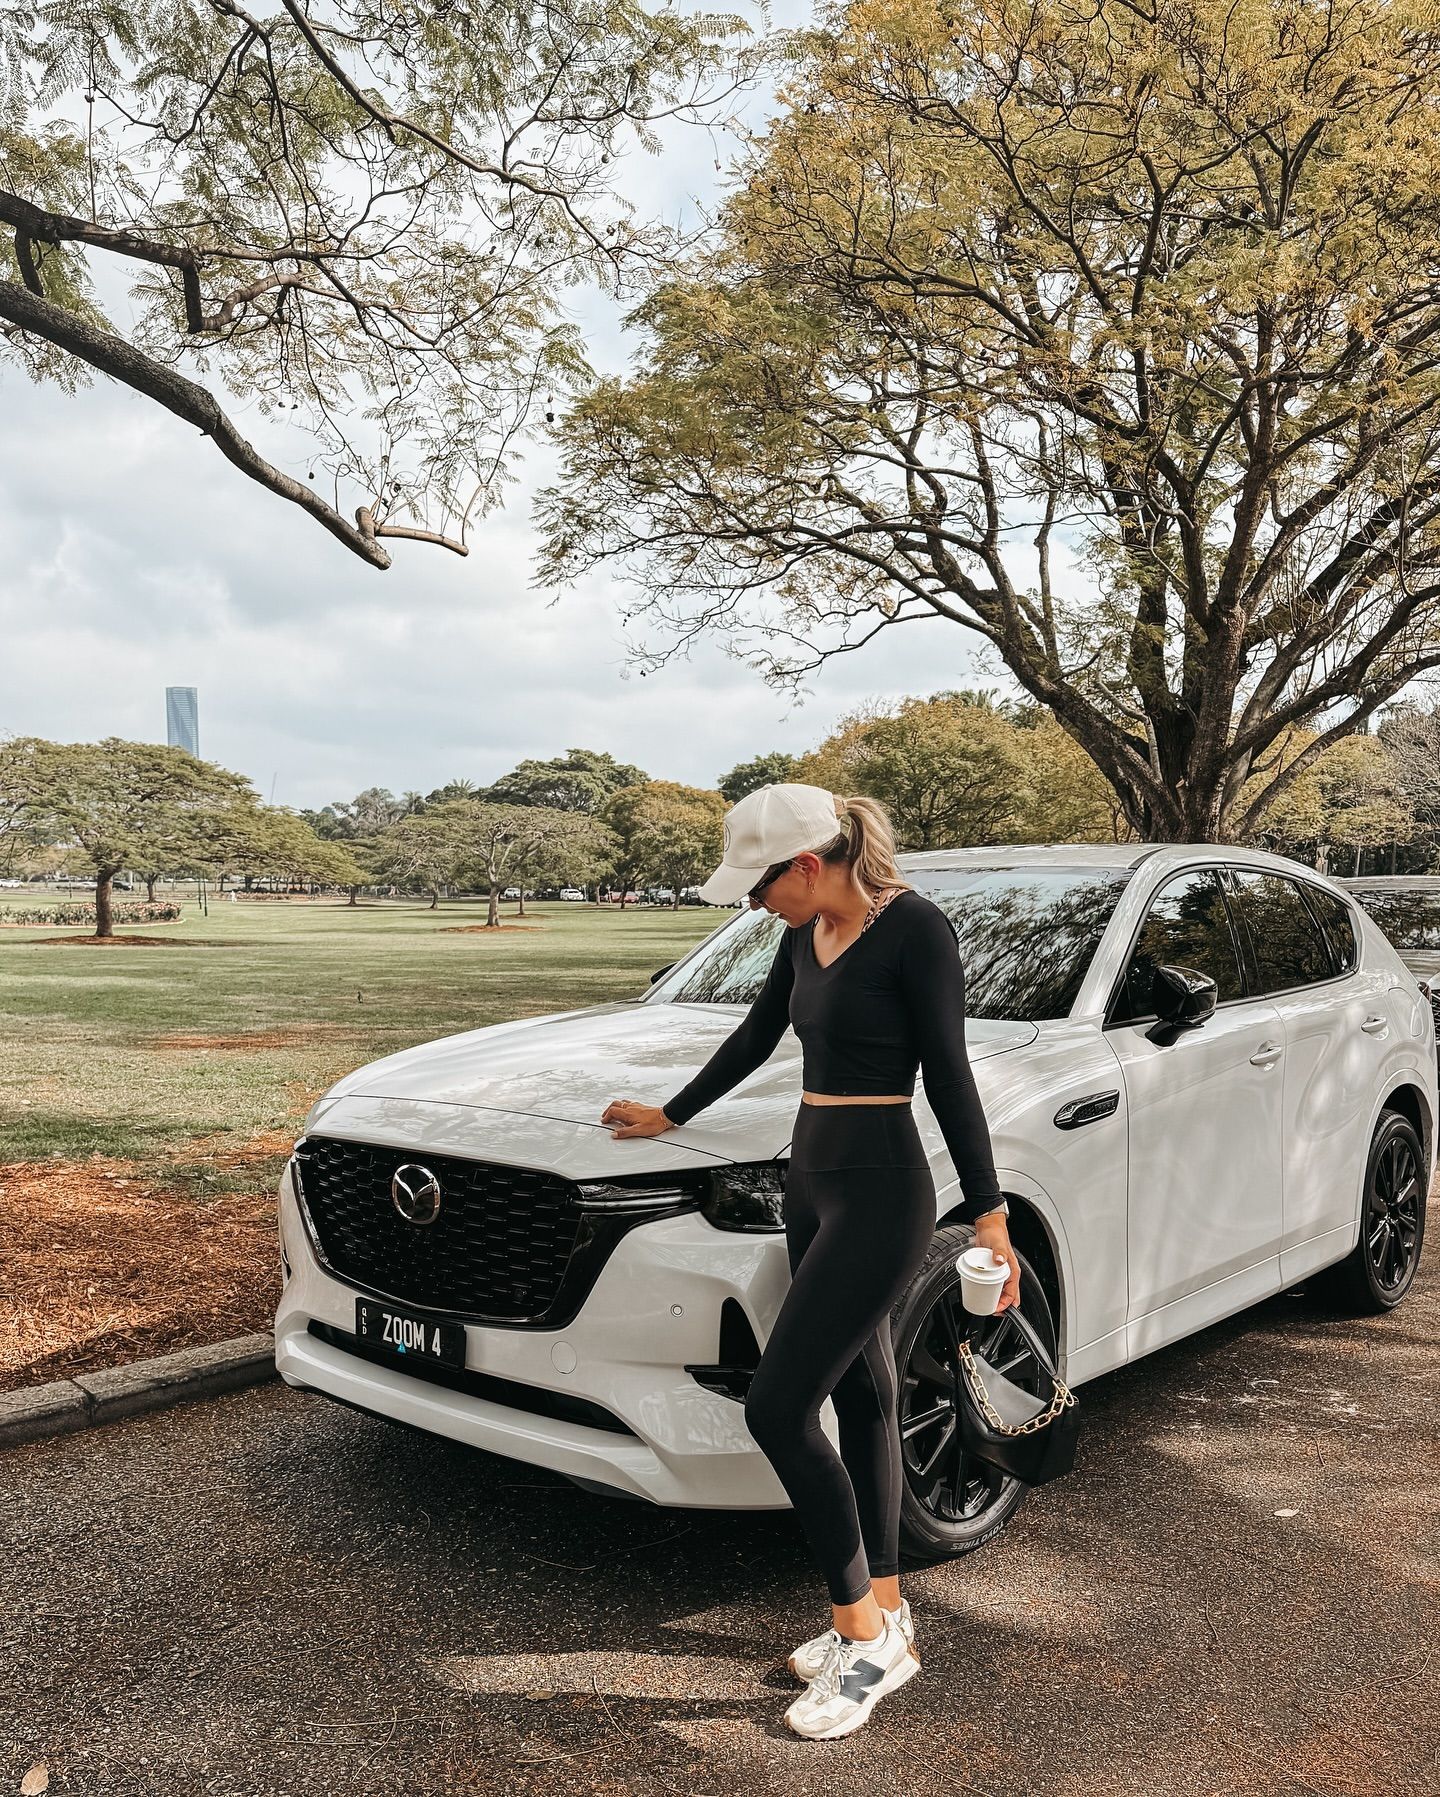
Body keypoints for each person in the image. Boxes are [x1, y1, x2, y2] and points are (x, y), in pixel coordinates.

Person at [600, 782, 1018, 1741]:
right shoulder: (802, 936)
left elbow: (950, 1075)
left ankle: (863, 1636)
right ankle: (887, 1608)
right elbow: (757, 1034)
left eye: (758, 888)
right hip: (812, 1179)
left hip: (881, 1191)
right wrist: (671, 1112)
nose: (753, 906)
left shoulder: (916, 931)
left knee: (777, 1407)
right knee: (863, 1393)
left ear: (805, 865)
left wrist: (989, 1214)